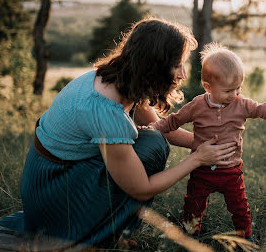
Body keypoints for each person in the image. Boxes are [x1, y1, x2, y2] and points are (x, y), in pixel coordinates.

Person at [17, 17, 238, 248]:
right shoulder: (106, 109)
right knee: (152, 146)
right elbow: (141, 189)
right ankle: (97, 235)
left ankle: (106, 227)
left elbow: (162, 128)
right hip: (53, 190)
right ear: (153, 65)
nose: (183, 74)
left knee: (153, 137)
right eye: (176, 65)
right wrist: (197, 159)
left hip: (66, 170)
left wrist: (210, 143)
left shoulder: (123, 78)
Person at [146, 42, 266, 240]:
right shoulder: (197, 105)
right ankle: (190, 236)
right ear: (208, 87)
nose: (235, 95)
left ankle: (245, 238)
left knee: (239, 207)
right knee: (193, 204)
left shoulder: (242, 104)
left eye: (238, 88)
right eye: (229, 91)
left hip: (231, 170)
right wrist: (153, 128)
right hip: (202, 170)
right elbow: (173, 121)